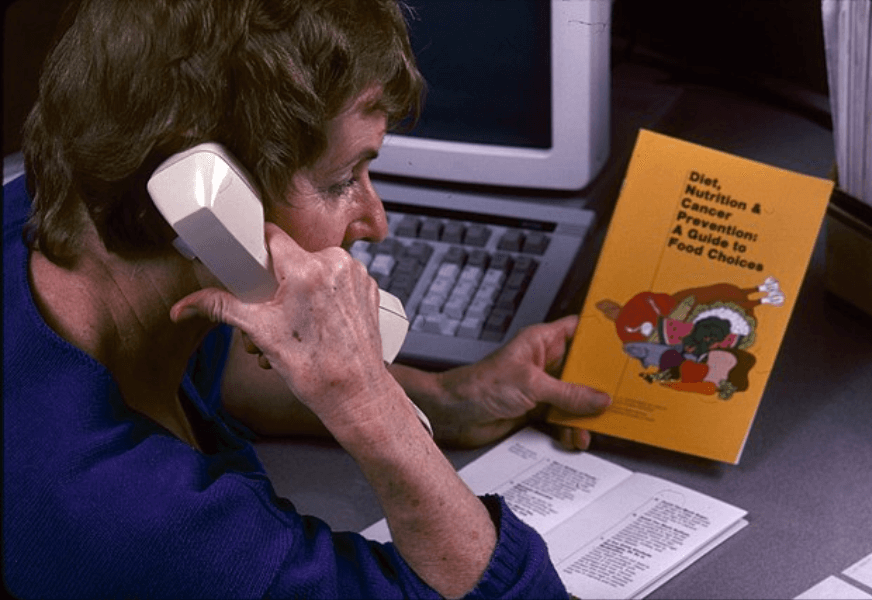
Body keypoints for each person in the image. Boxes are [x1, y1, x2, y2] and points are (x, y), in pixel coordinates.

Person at [3, 0, 611, 598]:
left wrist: (446, 399)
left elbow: (214, 372)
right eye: (344, 179)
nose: (376, 221)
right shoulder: (143, 523)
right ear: (201, 197)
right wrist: (373, 408)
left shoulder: (53, 217)